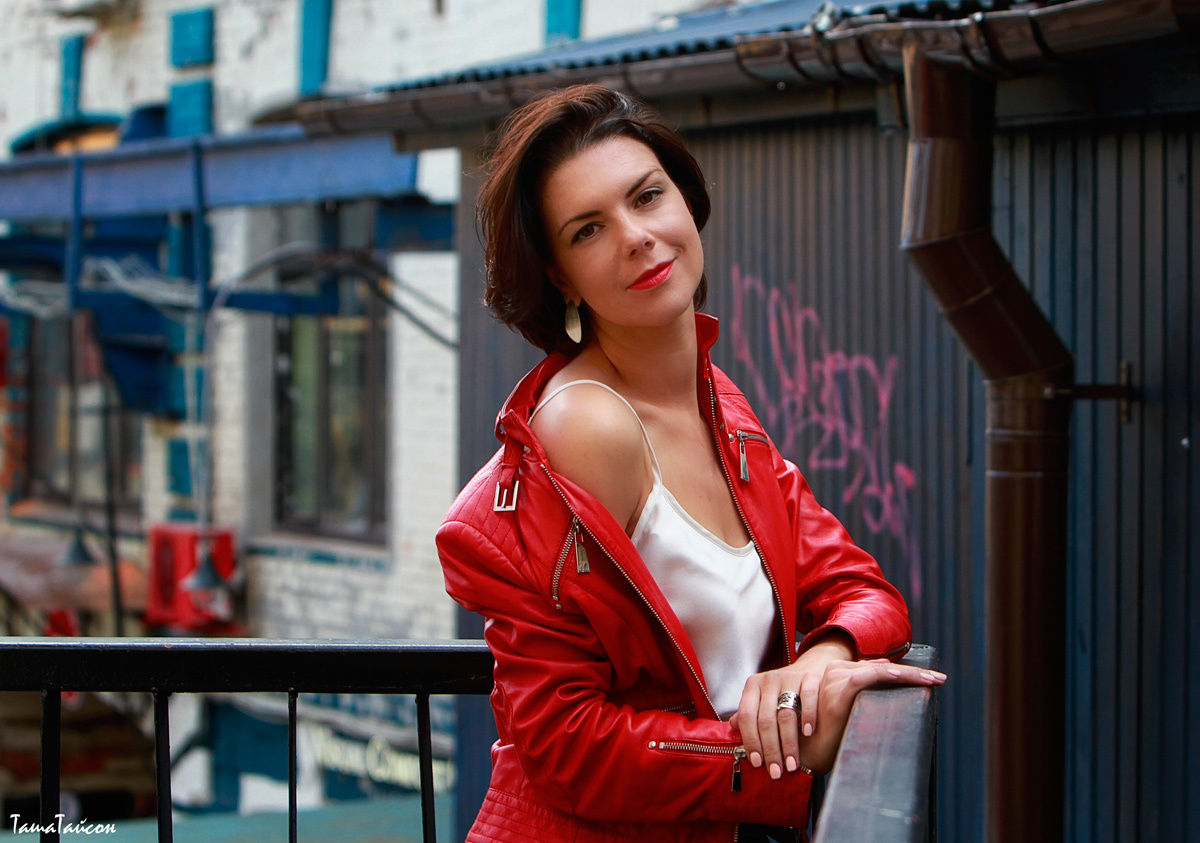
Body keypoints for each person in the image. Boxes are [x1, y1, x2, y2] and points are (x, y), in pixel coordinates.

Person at [436, 84, 944, 843]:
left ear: (685, 199)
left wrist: (822, 659)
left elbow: (860, 588)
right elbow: (565, 741)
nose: (637, 236)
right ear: (560, 276)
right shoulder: (588, 426)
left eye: (647, 196)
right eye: (588, 230)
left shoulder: (716, 403)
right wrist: (774, 756)